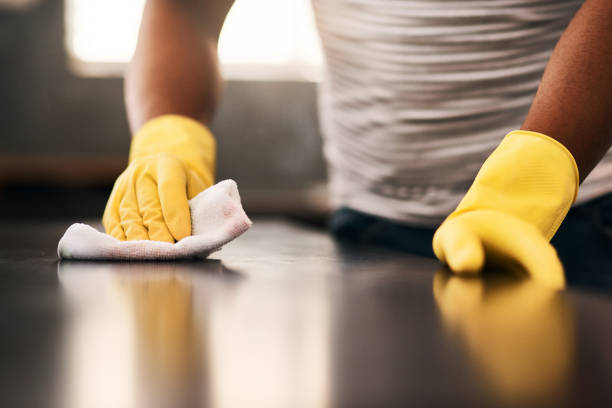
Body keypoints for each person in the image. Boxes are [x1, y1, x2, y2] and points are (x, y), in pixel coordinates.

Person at [103, 0, 612, 288]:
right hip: (369, 225)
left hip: (577, 220)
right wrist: (168, 136)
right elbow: (187, 11)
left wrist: (529, 185)